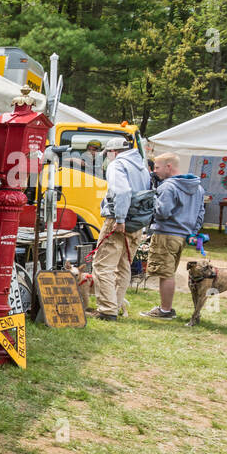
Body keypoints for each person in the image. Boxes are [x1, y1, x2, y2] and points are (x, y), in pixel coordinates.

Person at [91, 137, 150, 320]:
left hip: (119, 221)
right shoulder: (141, 166)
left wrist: (120, 218)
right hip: (137, 223)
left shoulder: (117, 165)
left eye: (107, 154)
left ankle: (107, 310)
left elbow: (122, 192)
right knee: (123, 265)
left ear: (112, 152)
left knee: (102, 265)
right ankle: (114, 306)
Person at [141, 153, 205, 320]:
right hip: (182, 235)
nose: (155, 171)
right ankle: (166, 308)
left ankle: (165, 310)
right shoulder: (197, 187)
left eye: (157, 167)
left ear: (168, 166)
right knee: (169, 272)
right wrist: (192, 231)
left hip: (166, 233)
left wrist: (152, 200)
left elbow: (162, 213)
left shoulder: (168, 186)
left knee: (166, 274)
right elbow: (200, 214)